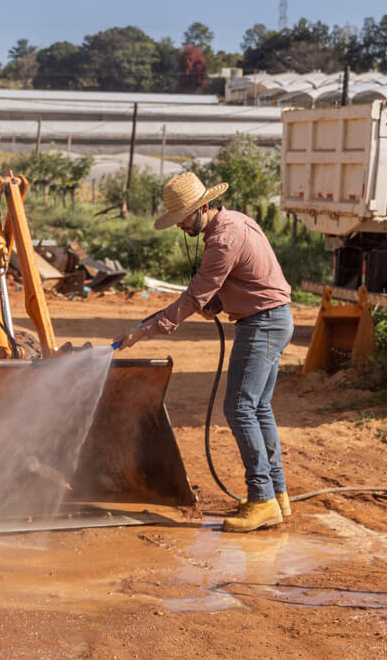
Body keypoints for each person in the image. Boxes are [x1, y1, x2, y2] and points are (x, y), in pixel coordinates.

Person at [115, 172, 294, 533]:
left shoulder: (224, 239)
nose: (180, 224)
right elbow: (217, 291)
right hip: (273, 320)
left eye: (183, 216)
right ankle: (276, 494)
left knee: (239, 408)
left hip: (262, 324)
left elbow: (195, 297)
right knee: (257, 407)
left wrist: (145, 330)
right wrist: (214, 302)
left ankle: (262, 499)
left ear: (204, 207)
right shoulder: (233, 223)